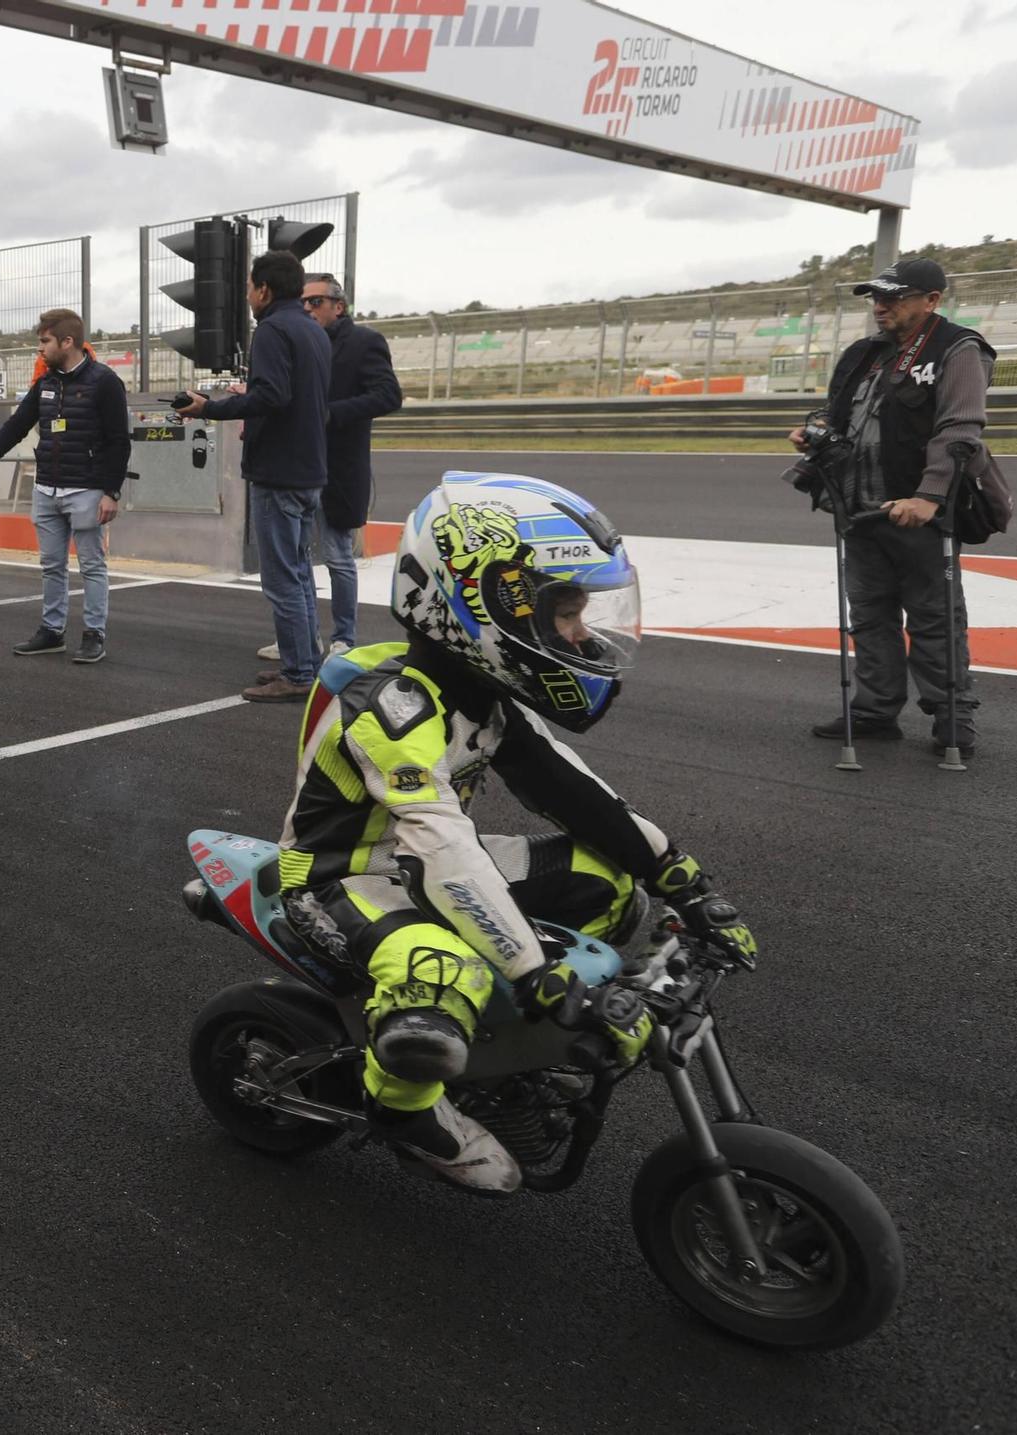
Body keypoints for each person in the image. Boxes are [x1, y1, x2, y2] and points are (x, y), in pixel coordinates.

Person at [275, 472, 756, 1191]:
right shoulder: (392, 710)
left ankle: (505, 1047)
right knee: (440, 971)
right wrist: (538, 977)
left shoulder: (483, 697)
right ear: (480, 602)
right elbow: (445, 846)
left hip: (421, 864)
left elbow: (575, 792)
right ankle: (401, 1106)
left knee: (610, 885)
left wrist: (681, 875)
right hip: (342, 875)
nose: (582, 633)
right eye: (565, 612)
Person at [799, 257, 994, 758]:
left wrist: (929, 496)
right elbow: (837, 413)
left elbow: (960, 429)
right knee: (868, 615)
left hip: (918, 511)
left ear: (932, 301)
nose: (880, 306)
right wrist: (814, 435)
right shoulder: (863, 353)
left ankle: (953, 718)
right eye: (876, 297)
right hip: (857, 506)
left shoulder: (957, 348)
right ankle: (874, 711)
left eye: (894, 297)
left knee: (934, 618)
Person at [177, 251, 332, 702]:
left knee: (283, 578)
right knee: (299, 573)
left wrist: (212, 408)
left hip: (279, 471)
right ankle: (304, 664)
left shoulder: (272, 331)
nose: (247, 296)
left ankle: (299, 674)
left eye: (249, 288)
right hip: (308, 468)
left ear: (264, 290)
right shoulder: (313, 330)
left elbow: (273, 396)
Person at [0, 307, 129, 664]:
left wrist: (111, 492)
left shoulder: (105, 382)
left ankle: (94, 635)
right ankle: (52, 632)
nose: (41, 349)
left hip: (87, 490)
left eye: (45, 342)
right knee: (51, 565)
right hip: (47, 489)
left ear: (68, 342)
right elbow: (17, 424)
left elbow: (119, 441)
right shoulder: (46, 383)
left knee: (92, 566)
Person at [271, 273, 400, 663]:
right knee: (297, 557)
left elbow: (388, 395)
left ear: (338, 306)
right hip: (297, 466)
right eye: (303, 302)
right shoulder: (299, 342)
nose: (307, 309)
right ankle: (302, 638)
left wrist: (329, 414)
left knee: (338, 555)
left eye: (315, 302)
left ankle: (344, 638)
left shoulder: (364, 342)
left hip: (340, 467)